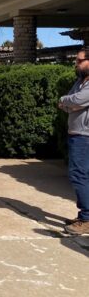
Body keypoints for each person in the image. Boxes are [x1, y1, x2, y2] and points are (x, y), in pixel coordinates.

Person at [59, 47, 89, 235]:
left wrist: (67, 101)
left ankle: (86, 219)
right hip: (76, 133)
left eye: (79, 61)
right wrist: (70, 104)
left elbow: (76, 99)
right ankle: (84, 215)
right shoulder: (80, 81)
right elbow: (68, 103)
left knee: (79, 175)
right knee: (82, 175)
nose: (75, 64)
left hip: (84, 136)